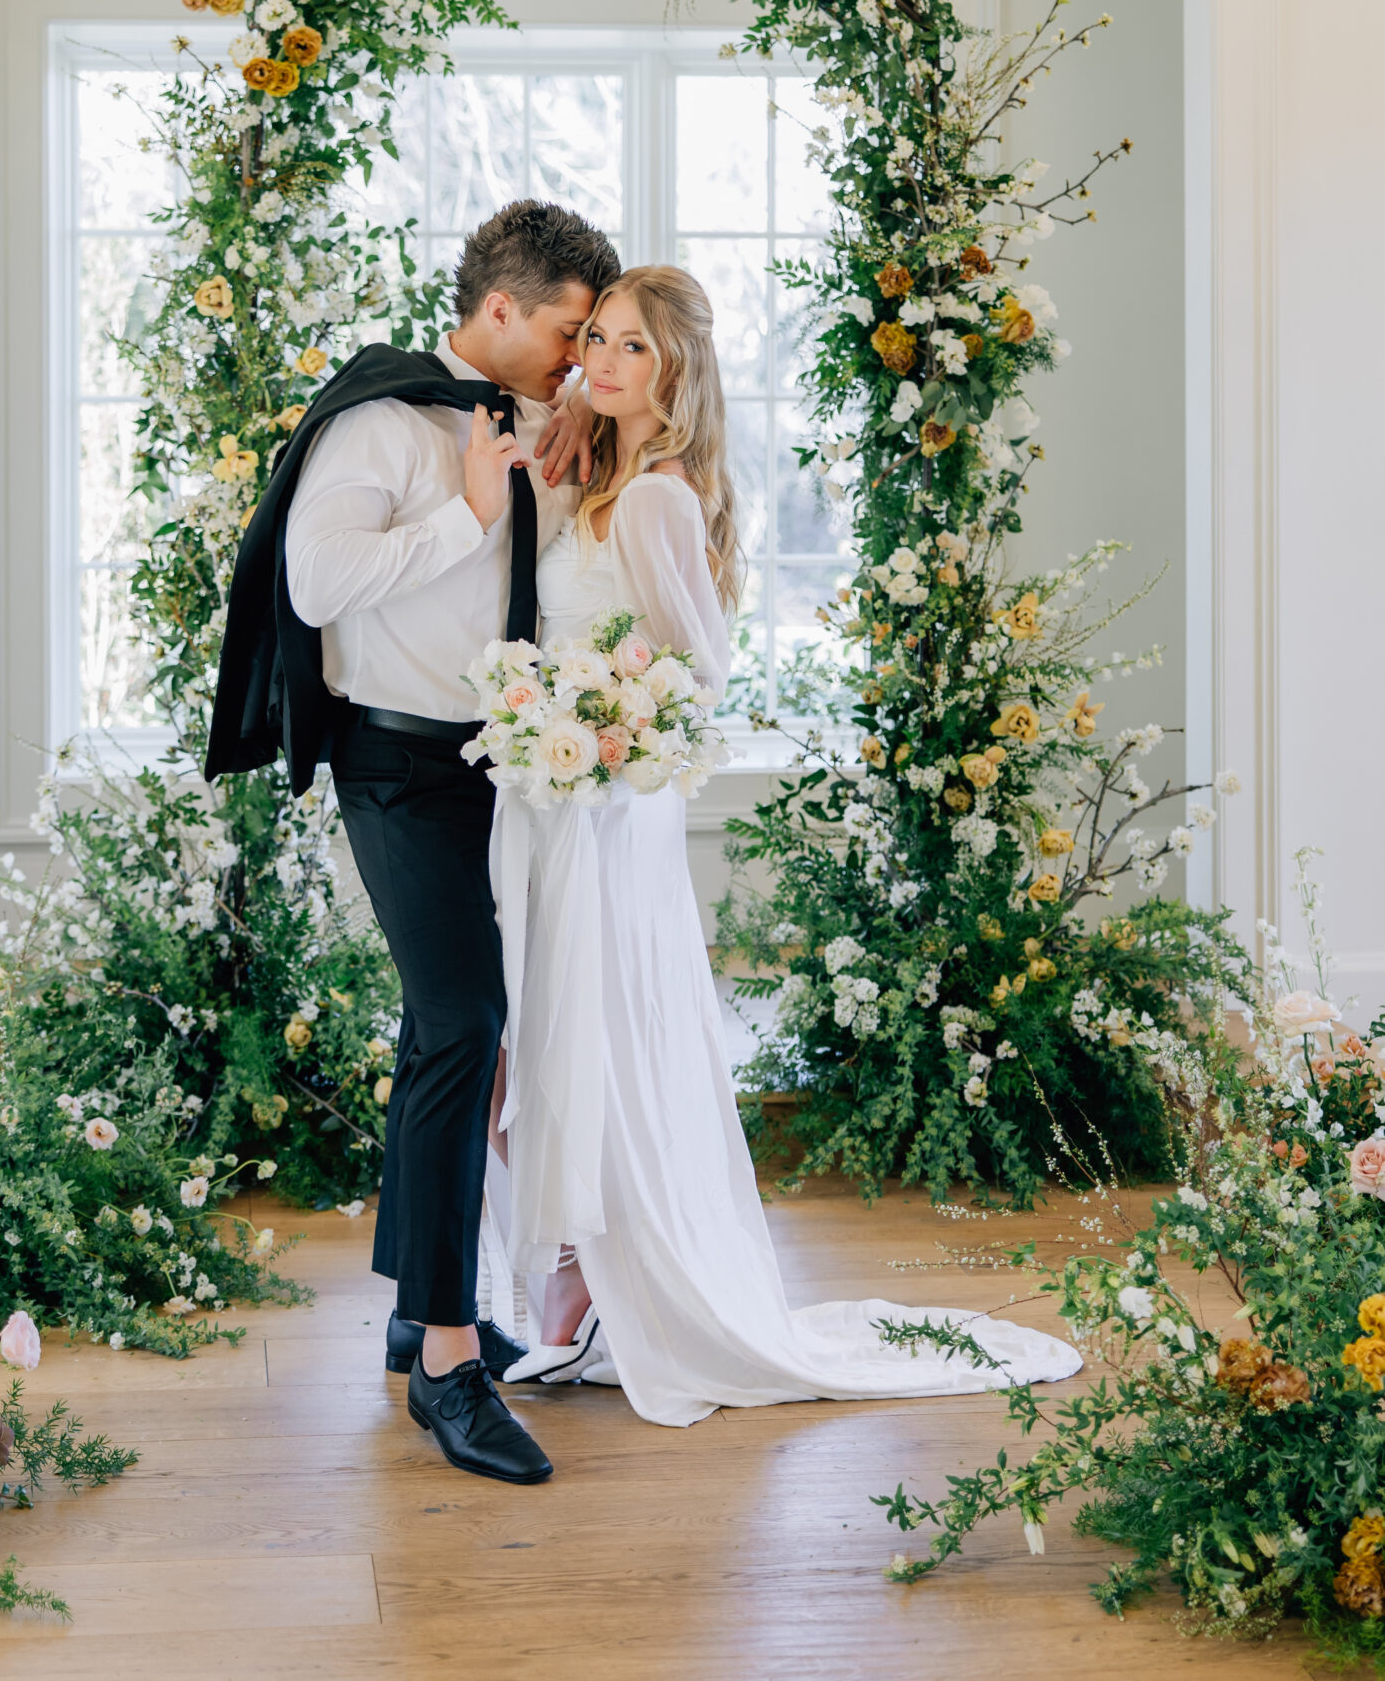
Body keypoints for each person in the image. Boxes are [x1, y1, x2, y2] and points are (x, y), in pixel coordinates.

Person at [485, 265, 1082, 1426]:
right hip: (562, 796)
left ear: (677, 372)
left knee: (591, 1031)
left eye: (631, 350)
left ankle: (605, 1280)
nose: (601, 362)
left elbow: (701, 676)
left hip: (606, 806)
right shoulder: (608, 478)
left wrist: (593, 725)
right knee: (557, 1029)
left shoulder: (655, 498)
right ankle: (583, 1278)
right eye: (595, 339)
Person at [206, 197, 621, 1486]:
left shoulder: (527, 426)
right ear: (500, 308)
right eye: (565, 328)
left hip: (502, 766)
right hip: (397, 763)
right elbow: (317, 587)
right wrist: (467, 511)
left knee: (455, 1030)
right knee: (463, 1020)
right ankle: (448, 1359)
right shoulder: (385, 420)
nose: (574, 354)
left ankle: (410, 1308)